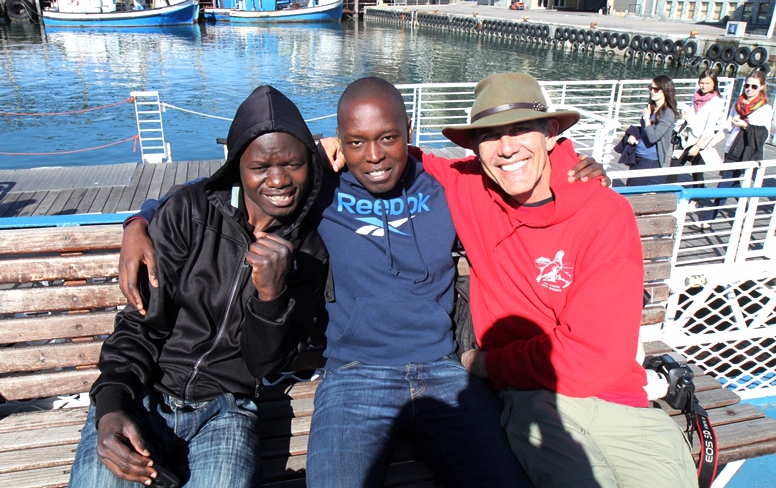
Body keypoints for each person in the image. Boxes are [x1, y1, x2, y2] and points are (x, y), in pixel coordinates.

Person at [118, 78, 607, 486]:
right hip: (355, 376)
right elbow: (236, 181)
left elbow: (518, 174)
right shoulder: (318, 186)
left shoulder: (449, 184)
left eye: (388, 138)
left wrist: (573, 169)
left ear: (408, 133)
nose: (373, 155)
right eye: (356, 142)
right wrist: (140, 220)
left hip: (444, 372)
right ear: (339, 141)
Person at [357, 72, 697, 487]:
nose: (506, 148)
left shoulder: (604, 213)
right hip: (534, 399)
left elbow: (595, 358)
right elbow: (385, 152)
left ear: (551, 132)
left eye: (520, 129)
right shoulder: (469, 185)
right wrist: (333, 146)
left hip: (620, 401)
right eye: (489, 135)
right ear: (474, 148)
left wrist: (485, 364)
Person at [69, 85, 329, 487]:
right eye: (261, 166)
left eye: (293, 165)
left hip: (228, 410)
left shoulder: (309, 250)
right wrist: (110, 407)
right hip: (146, 394)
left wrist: (271, 296)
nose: (279, 179)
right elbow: (140, 325)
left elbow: (264, 365)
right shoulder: (190, 212)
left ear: (310, 164)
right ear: (237, 167)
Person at [700, 69, 773, 229]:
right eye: (747, 85)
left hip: (748, 152)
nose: (749, 89)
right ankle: (747, 207)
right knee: (732, 183)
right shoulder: (737, 104)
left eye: (754, 86)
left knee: (724, 184)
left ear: (761, 87)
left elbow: (765, 134)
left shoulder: (765, 108)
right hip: (731, 148)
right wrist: (711, 143)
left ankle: (709, 217)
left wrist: (746, 126)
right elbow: (726, 127)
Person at [666, 69, 726, 186]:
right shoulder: (696, 96)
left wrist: (698, 146)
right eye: (702, 82)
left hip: (700, 141)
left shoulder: (716, 102)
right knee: (673, 169)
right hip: (686, 138)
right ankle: (666, 197)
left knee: (697, 174)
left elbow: (709, 126)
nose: (704, 86)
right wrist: (684, 116)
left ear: (714, 83)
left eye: (707, 83)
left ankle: (696, 199)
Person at [618, 74, 678, 186]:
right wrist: (634, 135)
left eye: (656, 89)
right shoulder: (651, 107)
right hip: (638, 154)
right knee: (629, 187)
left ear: (665, 90)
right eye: (651, 88)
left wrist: (646, 117)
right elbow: (644, 129)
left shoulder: (669, 114)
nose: (652, 92)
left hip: (651, 159)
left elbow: (653, 137)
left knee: (632, 190)